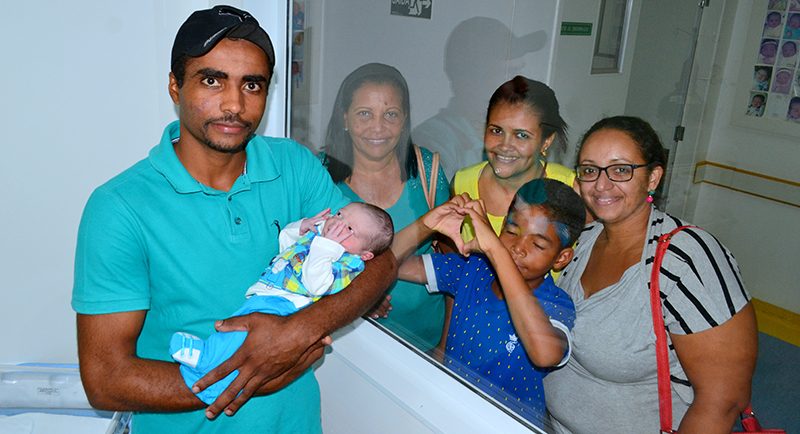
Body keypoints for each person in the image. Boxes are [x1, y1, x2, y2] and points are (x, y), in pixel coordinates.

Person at [71, 6, 396, 434]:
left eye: (251, 85)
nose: (234, 105)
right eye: (212, 80)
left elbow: (381, 260)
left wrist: (297, 333)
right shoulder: (119, 207)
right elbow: (106, 381)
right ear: (175, 86)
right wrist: (252, 373)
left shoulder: (294, 165)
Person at [544, 116, 757, 433]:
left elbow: (723, 401)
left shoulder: (686, 259)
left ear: (653, 178)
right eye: (589, 170)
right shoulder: (585, 238)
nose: (601, 184)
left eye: (620, 170)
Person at [391, 178, 585, 427]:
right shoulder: (473, 269)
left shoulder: (557, 303)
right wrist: (425, 226)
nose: (518, 248)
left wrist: (496, 250)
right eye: (511, 232)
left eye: (537, 244)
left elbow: (545, 354)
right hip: (447, 415)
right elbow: (388, 264)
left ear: (561, 258)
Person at [170, 203, 394, 404]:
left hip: (285, 306)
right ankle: (208, 355)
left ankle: (206, 357)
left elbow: (315, 285)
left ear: (365, 255)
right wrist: (301, 228)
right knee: (234, 325)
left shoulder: (347, 262)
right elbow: (286, 245)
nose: (338, 224)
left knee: (243, 336)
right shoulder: (319, 239)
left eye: (350, 229)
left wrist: (326, 246)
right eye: (339, 214)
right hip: (267, 292)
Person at [321, 63, 450, 352]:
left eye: (390, 114)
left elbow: (454, 266)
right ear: (345, 118)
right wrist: (359, 295)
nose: (378, 127)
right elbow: (302, 261)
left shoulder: (427, 171)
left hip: (426, 343)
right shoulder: (320, 176)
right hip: (347, 345)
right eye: (364, 114)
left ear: (404, 120)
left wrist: (444, 347)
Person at [412, 17, 547, 179]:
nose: (521, 84)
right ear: (471, 78)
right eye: (509, 73)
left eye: (519, 71)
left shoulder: (526, 130)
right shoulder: (435, 140)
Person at [453, 75, 575, 241]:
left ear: (546, 141)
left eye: (521, 135)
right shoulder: (461, 184)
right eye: (496, 131)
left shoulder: (571, 188)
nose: (505, 146)